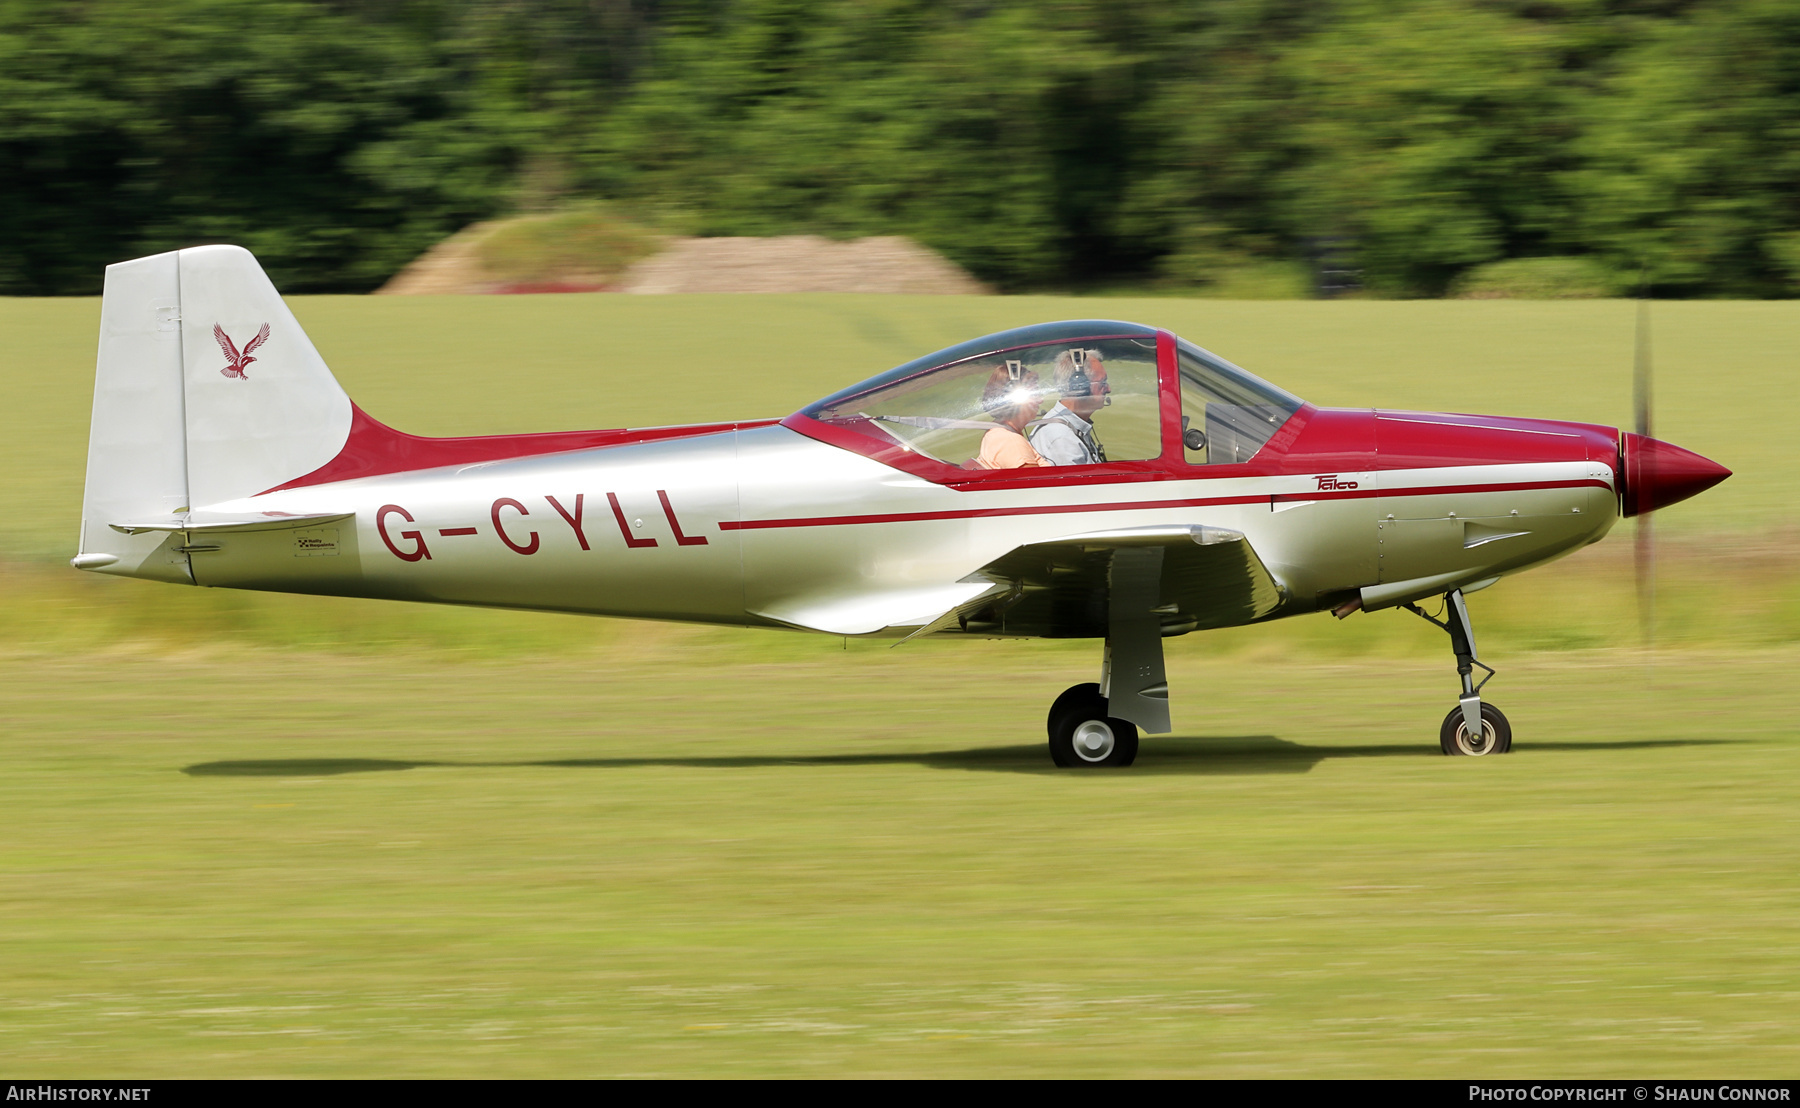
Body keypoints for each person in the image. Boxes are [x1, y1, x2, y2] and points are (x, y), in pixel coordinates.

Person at [1030, 348, 1109, 465]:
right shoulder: (1061, 438)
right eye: (1102, 383)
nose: (1108, 389)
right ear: (1080, 387)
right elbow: (1081, 483)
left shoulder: (1074, 427)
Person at [974, 362, 1047, 469]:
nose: (1041, 400)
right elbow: (1035, 484)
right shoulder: (1012, 443)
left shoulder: (997, 432)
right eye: (1033, 393)